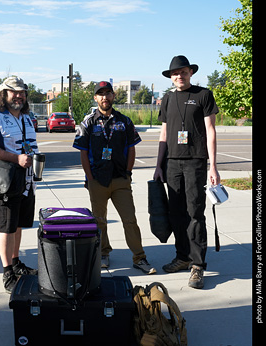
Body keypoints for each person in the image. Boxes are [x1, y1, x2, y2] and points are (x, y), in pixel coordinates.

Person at [73, 81, 156, 275]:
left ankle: (140, 257)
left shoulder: (124, 121)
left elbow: (131, 148)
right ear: (95, 98)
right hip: (97, 180)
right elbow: (83, 153)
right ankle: (103, 253)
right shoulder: (87, 123)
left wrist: (128, 173)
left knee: (130, 220)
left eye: (108, 93)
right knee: (100, 220)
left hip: (120, 180)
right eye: (100, 94)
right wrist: (90, 178)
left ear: (113, 96)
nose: (104, 97)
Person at [154, 56, 220, 289]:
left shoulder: (203, 95)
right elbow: (163, 134)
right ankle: (182, 257)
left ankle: (198, 266)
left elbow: (210, 130)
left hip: (195, 162)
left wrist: (213, 166)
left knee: (195, 213)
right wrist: (158, 165)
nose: (179, 76)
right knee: (176, 213)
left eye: (183, 72)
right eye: (175, 74)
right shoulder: (168, 99)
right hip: (172, 163)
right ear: (170, 77)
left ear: (191, 73)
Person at [0, 76, 38, 293]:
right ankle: (7, 273)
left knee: (18, 225)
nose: (19, 95)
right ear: (3, 94)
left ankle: (16, 263)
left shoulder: (26, 118)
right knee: (6, 228)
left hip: (26, 182)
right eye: (14, 92)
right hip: (3, 183)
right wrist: (16, 159)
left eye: (22, 92)